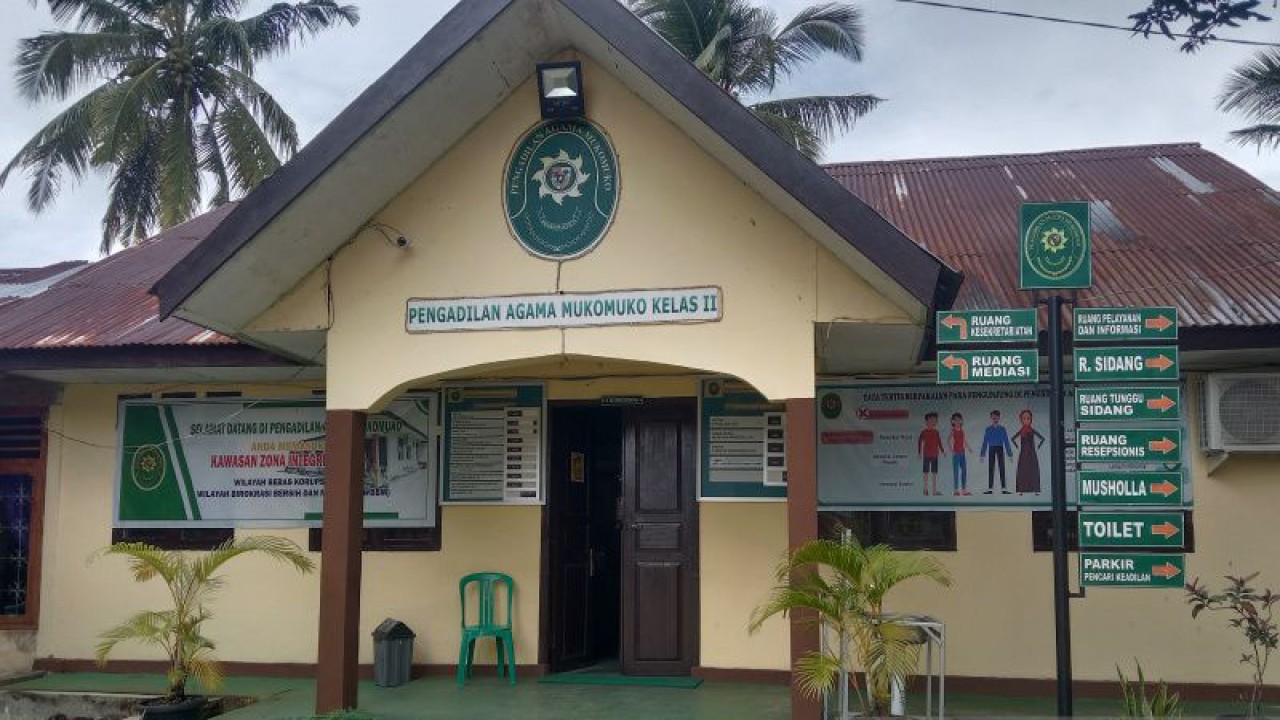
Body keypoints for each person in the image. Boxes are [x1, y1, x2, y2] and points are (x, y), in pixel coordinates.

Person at [979, 410, 1013, 494]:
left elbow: (1006, 441)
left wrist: (1010, 454)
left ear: (999, 417)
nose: (995, 418)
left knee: (1002, 467)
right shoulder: (988, 429)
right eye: (993, 417)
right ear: (991, 417)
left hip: (1000, 448)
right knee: (991, 468)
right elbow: (985, 441)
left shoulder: (1002, 429)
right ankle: (990, 489)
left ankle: (1004, 488)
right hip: (991, 448)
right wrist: (982, 454)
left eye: (996, 417)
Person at [1013, 409, 1046, 494]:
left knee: (1033, 470)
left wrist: (1038, 446)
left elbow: (1042, 438)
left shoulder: (1032, 430)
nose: (1026, 420)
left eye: (1028, 418)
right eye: (1024, 418)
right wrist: (1016, 446)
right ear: (1021, 419)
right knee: (1023, 471)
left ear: (1031, 419)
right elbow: (1013, 439)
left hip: (1031, 453)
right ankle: (1021, 490)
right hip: (1023, 453)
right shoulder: (1021, 430)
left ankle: (1035, 490)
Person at [917, 411, 944, 496]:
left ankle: (934, 491)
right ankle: (925, 490)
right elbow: (919, 442)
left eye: (935, 420)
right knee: (926, 472)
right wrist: (919, 453)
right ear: (927, 421)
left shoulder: (936, 432)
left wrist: (942, 451)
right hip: (926, 455)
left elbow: (939, 442)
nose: (934, 422)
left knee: (934, 473)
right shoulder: (924, 432)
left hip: (935, 455)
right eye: (932, 420)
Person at [948, 412, 972, 496]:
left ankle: (964, 490)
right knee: (956, 471)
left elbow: (964, 440)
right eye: (956, 420)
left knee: (964, 470)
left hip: (962, 453)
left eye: (959, 420)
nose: (958, 422)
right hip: (956, 454)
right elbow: (948, 441)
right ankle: (956, 490)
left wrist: (969, 448)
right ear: (953, 421)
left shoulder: (962, 430)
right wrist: (952, 450)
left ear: (961, 421)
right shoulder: (953, 431)